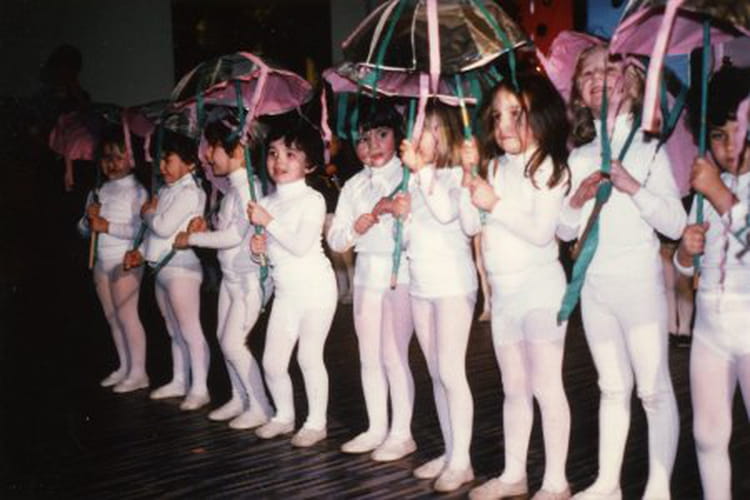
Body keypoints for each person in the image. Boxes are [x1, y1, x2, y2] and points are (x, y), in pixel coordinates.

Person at [557, 45, 686, 499]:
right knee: (611, 387)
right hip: (595, 289)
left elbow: (676, 224)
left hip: (639, 286)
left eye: (607, 70)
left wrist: (632, 186)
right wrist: (576, 200)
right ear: (578, 92)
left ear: (631, 83)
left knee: (653, 390)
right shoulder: (579, 155)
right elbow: (563, 229)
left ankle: (659, 486)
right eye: (587, 74)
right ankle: (607, 484)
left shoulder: (650, 149)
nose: (597, 78)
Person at [464, 73, 573, 500]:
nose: (505, 125)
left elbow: (542, 232)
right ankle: (514, 475)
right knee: (513, 388)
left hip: (540, 291)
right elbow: (470, 224)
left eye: (516, 113)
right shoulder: (493, 168)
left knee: (546, 386)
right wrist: (470, 176)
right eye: (497, 116)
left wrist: (494, 203)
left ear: (541, 117)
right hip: (505, 297)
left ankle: (556, 481)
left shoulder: (549, 167)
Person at [386, 101, 478, 492]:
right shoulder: (414, 180)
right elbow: (409, 239)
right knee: (437, 372)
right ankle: (451, 449)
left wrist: (421, 173)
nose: (426, 135)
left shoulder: (458, 175)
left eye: (435, 127)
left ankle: (463, 461)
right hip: (421, 285)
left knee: (452, 372)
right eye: (423, 127)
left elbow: (445, 213)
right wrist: (403, 217)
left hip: (453, 285)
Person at [675, 63, 750, 500]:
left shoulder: (715, 188)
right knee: (707, 434)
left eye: (739, 132)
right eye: (719, 135)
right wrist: (686, 252)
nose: (728, 146)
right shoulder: (708, 184)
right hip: (710, 330)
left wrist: (720, 195)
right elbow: (686, 270)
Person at [326, 100, 417, 461]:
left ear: (397, 136)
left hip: (400, 276)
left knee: (394, 356)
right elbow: (336, 240)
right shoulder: (353, 186)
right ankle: (376, 427)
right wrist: (355, 228)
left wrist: (401, 216)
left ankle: (402, 433)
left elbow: (419, 233)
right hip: (366, 275)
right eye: (364, 138)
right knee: (368, 356)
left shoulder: (408, 177)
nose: (373, 145)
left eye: (382, 134)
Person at [173, 117, 272, 429]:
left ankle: (261, 406)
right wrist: (205, 228)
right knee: (222, 337)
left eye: (213, 147)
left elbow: (233, 237)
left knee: (233, 343)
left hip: (249, 281)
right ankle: (239, 397)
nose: (207, 154)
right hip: (231, 278)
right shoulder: (233, 190)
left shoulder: (249, 190)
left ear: (238, 151)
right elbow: (226, 231)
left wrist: (193, 238)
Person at [247, 121, 337, 448]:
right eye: (273, 153)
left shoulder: (312, 200)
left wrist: (268, 223)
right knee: (272, 361)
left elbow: (299, 245)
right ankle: (284, 416)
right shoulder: (266, 203)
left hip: (316, 290)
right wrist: (257, 250)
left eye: (290, 154)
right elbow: (269, 256)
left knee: (309, 357)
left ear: (309, 164)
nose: (279, 161)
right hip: (286, 294)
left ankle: (316, 423)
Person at [123, 131, 210, 411]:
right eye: (159, 161)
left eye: (168, 160)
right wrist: (140, 252)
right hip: (161, 269)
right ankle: (180, 380)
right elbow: (154, 235)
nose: (161, 167)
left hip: (182, 269)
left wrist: (147, 213)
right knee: (174, 329)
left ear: (189, 163)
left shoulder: (192, 193)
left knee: (190, 330)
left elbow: (162, 226)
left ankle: (200, 388)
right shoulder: (165, 190)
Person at [78, 126, 148, 393]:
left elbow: (140, 230)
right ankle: (124, 366)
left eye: (119, 157)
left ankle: (139, 372)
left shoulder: (137, 191)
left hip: (124, 260)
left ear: (131, 158)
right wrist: (88, 220)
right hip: (102, 261)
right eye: (106, 157)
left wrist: (107, 226)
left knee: (127, 316)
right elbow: (83, 230)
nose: (112, 163)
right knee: (112, 317)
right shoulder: (98, 191)